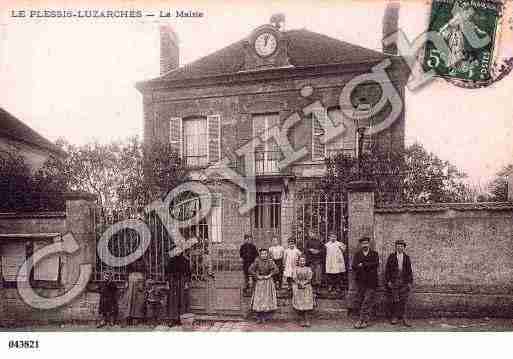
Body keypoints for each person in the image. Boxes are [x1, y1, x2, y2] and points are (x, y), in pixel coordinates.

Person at [351, 237, 379, 329]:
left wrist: (363, 264)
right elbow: (354, 266)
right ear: (361, 245)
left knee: (367, 301)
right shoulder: (357, 254)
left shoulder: (374, 254)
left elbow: (375, 264)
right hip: (361, 282)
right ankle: (364, 320)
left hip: (371, 282)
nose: (365, 245)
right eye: (363, 243)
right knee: (361, 301)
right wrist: (366, 265)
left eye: (366, 243)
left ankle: (362, 320)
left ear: (369, 244)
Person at [384, 240, 413, 327]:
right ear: (396, 247)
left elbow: (409, 271)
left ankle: (404, 317)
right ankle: (395, 317)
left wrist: (409, 282)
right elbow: (387, 270)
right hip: (394, 281)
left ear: (404, 248)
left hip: (403, 281)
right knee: (395, 299)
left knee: (403, 300)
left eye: (401, 246)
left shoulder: (407, 257)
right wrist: (388, 281)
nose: (400, 247)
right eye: (398, 246)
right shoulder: (391, 256)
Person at [249, 248, 278, 323]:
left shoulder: (270, 261)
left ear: (267, 254)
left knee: (266, 299)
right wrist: (257, 276)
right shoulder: (257, 261)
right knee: (259, 299)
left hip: (268, 282)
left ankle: (264, 317)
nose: (264, 255)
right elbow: (250, 269)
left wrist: (269, 275)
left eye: (265, 254)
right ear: (260, 254)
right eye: (262, 254)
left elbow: (276, 270)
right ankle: (259, 317)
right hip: (260, 281)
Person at [166, 248, 192, 326]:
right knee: (172, 301)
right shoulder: (171, 260)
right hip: (172, 282)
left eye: (179, 251)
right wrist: (167, 283)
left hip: (182, 282)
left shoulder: (185, 261)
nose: (177, 252)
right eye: (176, 251)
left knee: (182, 301)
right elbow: (167, 272)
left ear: (181, 251)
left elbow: (188, 273)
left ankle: (181, 319)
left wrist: (186, 283)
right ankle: (172, 319)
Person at [292, 255, 315, 327]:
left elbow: (309, 278)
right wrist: (299, 283)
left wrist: (304, 283)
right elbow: (294, 277)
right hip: (298, 286)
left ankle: (307, 319)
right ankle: (301, 319)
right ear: (298, 261)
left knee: (306, 302)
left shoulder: (308, 269)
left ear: (305, 262)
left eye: (303, 261)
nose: (302, 262)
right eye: (300, 261)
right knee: (300, 303)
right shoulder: (295, 269)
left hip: (306, 286)